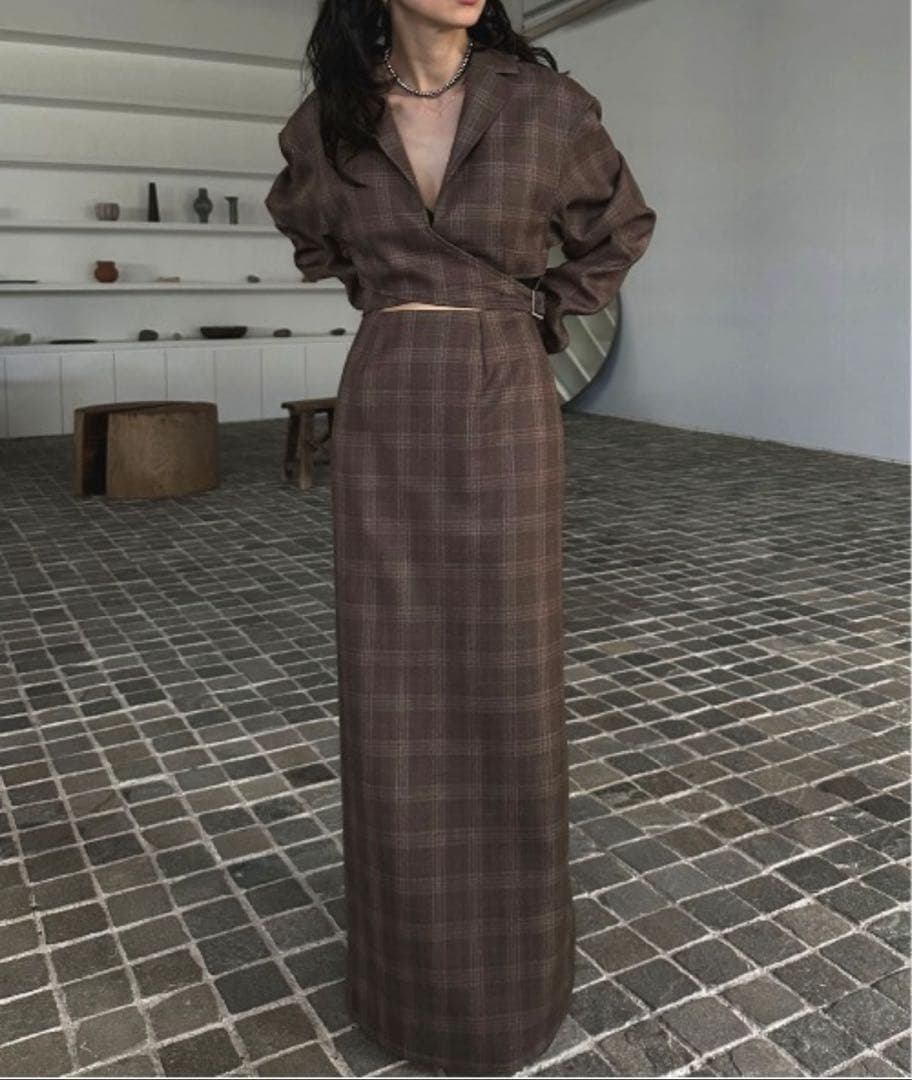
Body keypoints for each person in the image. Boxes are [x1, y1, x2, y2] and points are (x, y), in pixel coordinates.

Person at [264, 1, 656, 1073]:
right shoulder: (331, 122)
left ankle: (510, 988)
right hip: (389, 397)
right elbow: (313, 236)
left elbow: (619, 227)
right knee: (389, 683)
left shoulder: (546, 106)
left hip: (505, 397)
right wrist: (406, 301)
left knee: (508, 677)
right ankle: (404, 983)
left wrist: (530, 316)